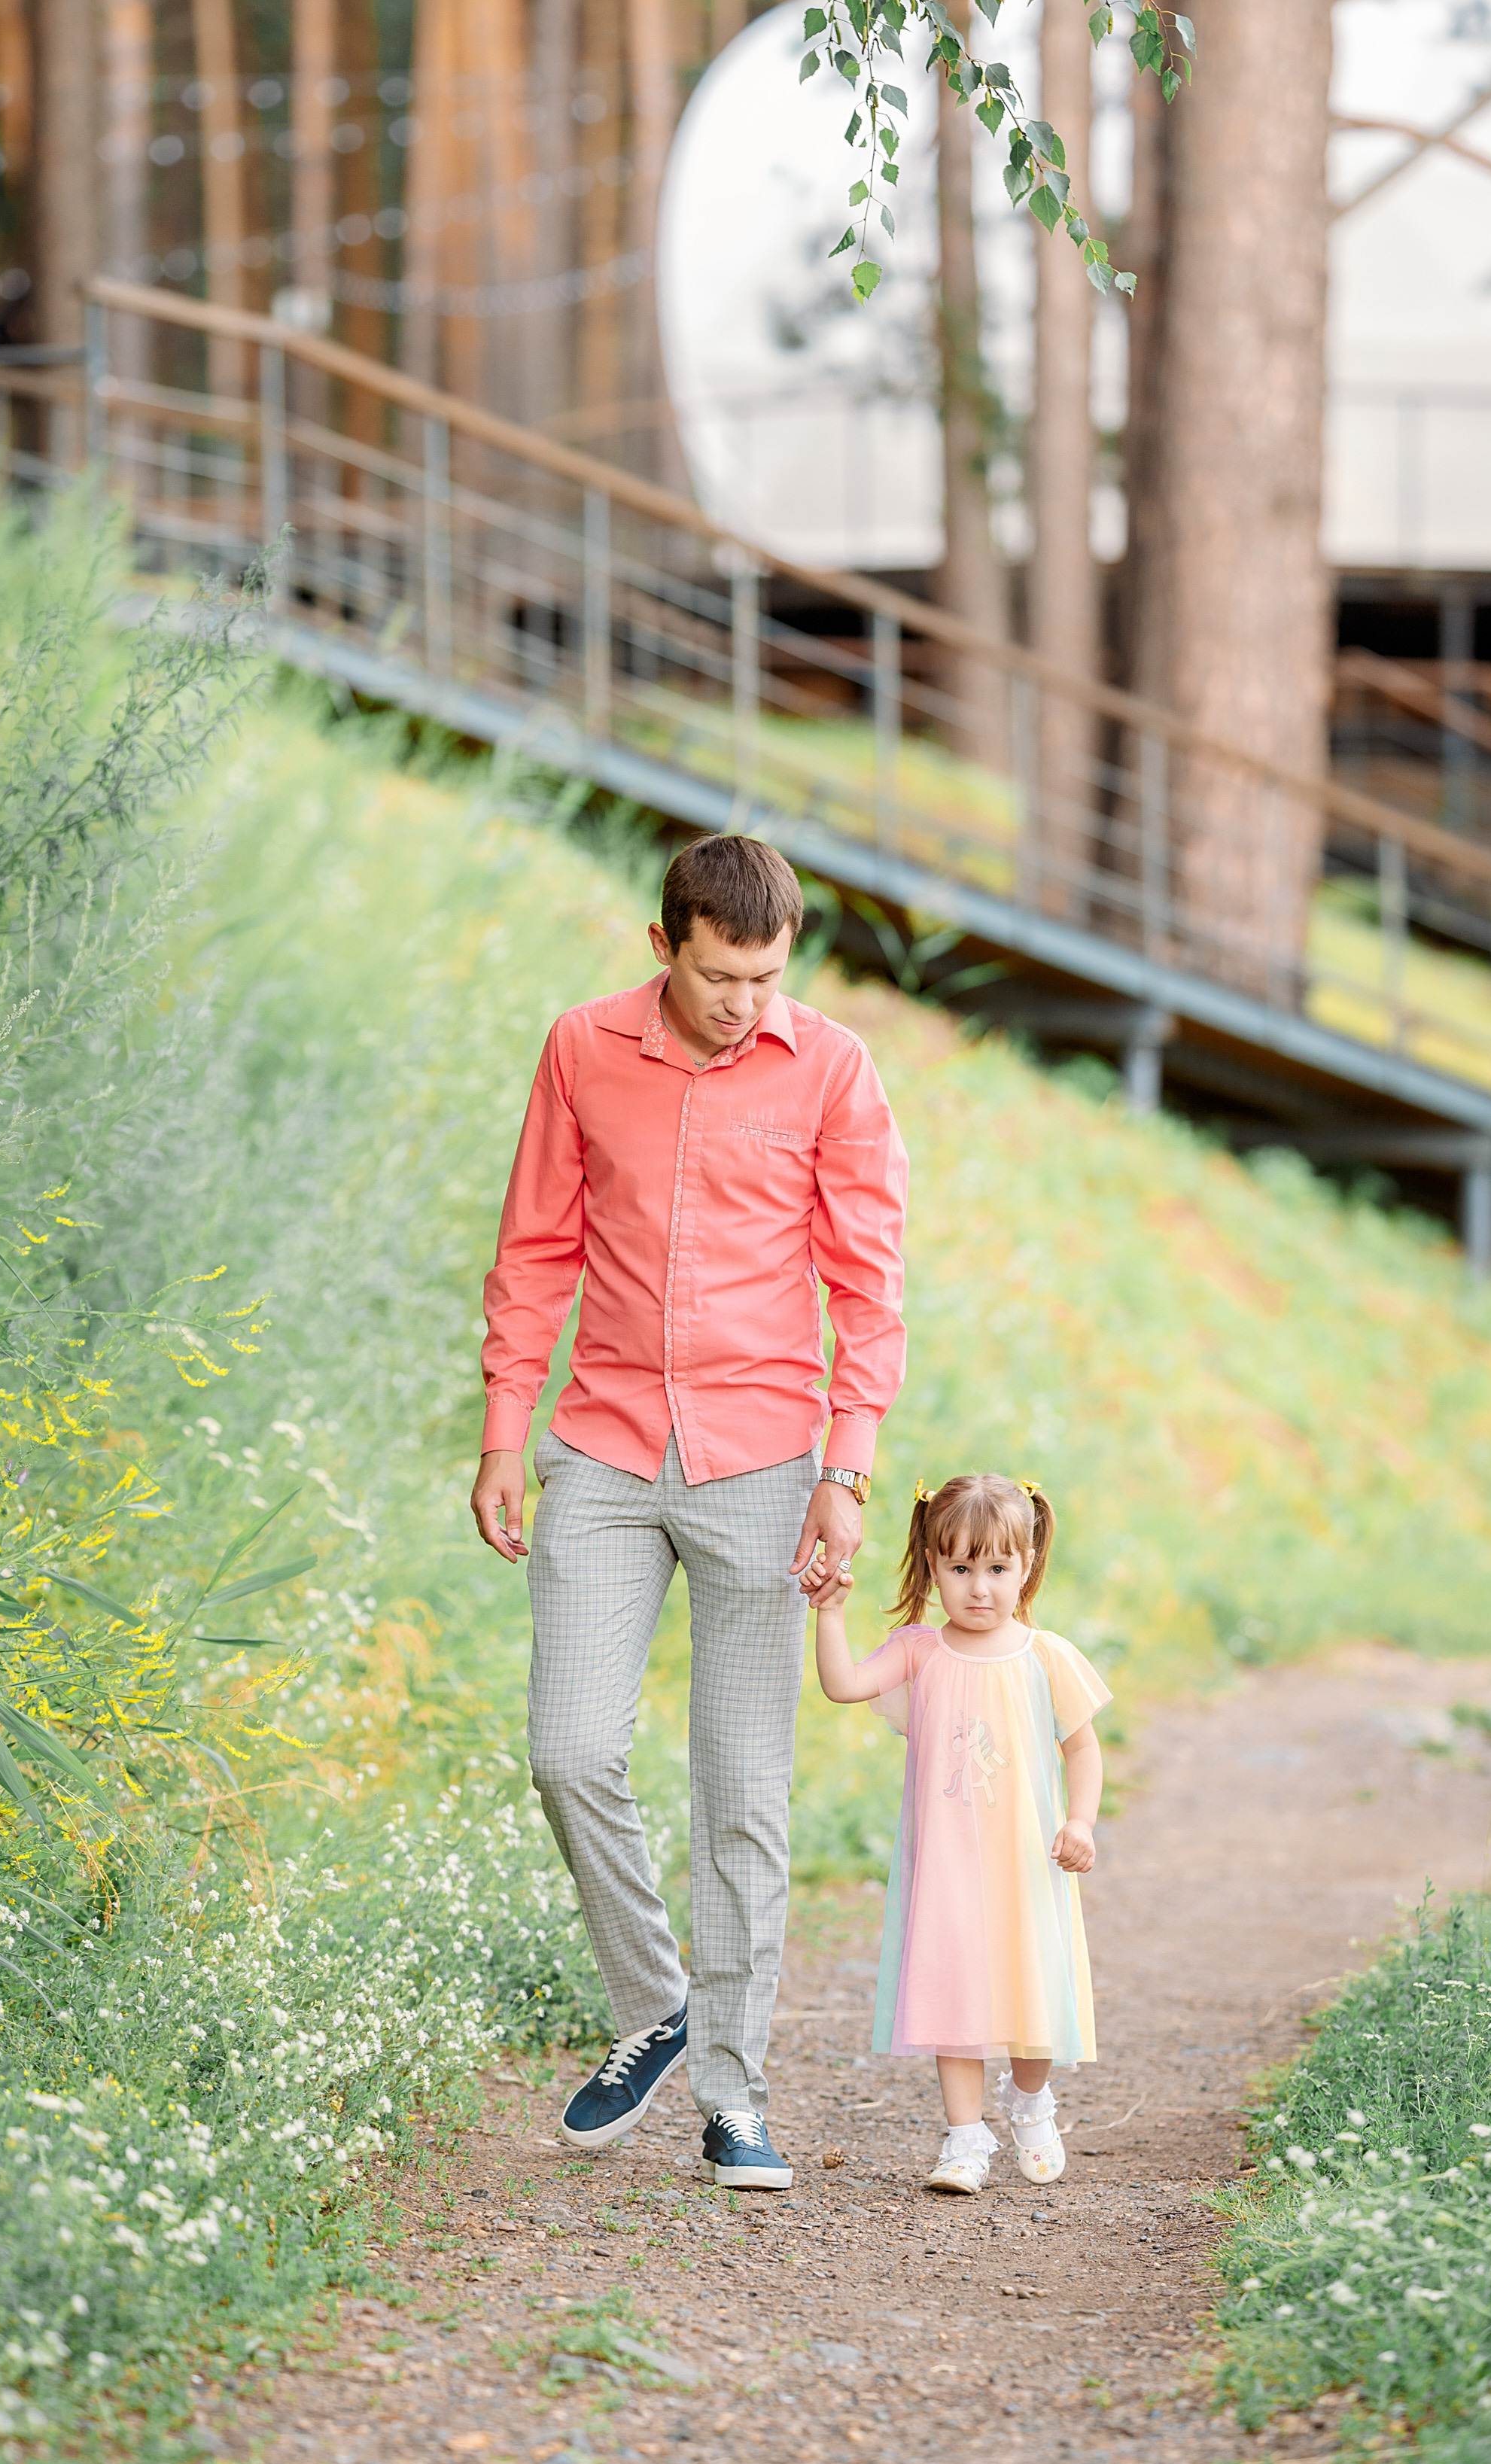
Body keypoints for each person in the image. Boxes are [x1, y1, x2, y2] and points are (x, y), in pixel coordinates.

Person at [470, 833, 908, 2192]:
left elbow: (868, 1284)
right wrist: (501, 1434)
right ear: (663, 947)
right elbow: (533, 1249)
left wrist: (845, 1471)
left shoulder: (827, 1065)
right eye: (720, 978)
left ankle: (732, 2098)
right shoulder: (580, 1048)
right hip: (599, 1450)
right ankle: (657, 1999)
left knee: (739, 1793)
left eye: (766, 977)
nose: (743, 1005)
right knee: (566, 1752)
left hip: (767, 1465)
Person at [812, 1472, 1109, 2195]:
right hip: (944, 1865)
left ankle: (1031, 2101)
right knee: (953, 1994)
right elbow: (843, 1684)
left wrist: (1080, 1821)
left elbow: (1084, 1748)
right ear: (932, 1567)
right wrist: (828, 1615)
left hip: (1026, 1863)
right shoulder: (919, 1652)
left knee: (1029, 1991)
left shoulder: (1046, 1657)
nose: (980, 1588)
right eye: (960, 1569)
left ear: (1028, 1563)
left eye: (998, 1569)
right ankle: (964, 2139)